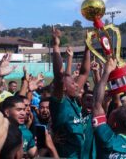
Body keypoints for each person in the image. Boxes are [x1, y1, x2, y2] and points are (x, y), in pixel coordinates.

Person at [49, 26, 90, 158]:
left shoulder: (73, 100)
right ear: (64, 88)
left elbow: (84, 72)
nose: (77, 86)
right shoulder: (59, 103)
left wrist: (88, 46)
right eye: (73, 83)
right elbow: (59, 76)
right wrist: (56, 46)